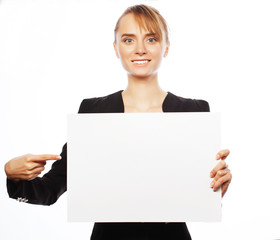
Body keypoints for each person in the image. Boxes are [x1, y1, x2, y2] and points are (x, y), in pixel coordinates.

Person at [4, 4, 232, 240]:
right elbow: (50, 191)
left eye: (151, 39)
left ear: (166, 47)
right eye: (128, 40)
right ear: (116, 48)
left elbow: (198, 198)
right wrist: (12, 176)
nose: (140, 49)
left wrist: (216, 189)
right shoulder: (93, 112)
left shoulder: (193, 112)